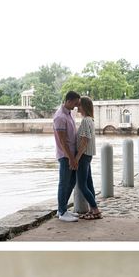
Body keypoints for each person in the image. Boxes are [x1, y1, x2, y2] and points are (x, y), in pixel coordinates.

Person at [53, 91, 81, 222]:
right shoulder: (60, 117)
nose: (77, 106)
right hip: (65, 155)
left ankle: (62, 208)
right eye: (75, 103)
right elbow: (63, 141)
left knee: (71, 182)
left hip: (70, 154)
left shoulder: (69, 114)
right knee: (64, 183)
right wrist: (71, 158)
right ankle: (62, 212)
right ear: (69, 101)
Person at [76, 96, 101, 220]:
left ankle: (95, 209)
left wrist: (76, 157)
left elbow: (85, 140)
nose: (77, 107)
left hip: (84, 156)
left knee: (82, 185)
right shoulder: (91, 120)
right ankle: (93, 210)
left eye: (79, 105)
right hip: (88, 155)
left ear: (84, 106)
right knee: (89, 183)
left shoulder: (86, 120)